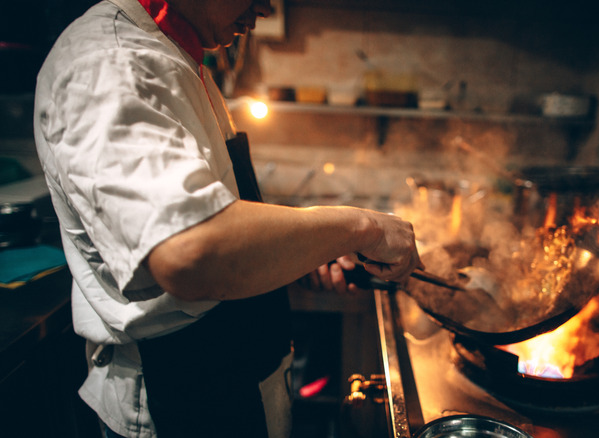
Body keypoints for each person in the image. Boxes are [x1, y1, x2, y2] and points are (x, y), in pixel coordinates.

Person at [32, 0, 422, 437]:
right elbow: (190, 251)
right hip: (179, 402)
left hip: (234, 381)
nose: (267, 7)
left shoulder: (177, 55)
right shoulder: (111, 62)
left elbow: (219, 228)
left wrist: (299, 257)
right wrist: (360, 226)